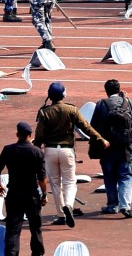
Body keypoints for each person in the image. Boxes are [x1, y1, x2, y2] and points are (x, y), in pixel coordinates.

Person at [34, 81, 108, 227]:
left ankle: (61, 215)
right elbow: (86, 128)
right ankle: (68, 204)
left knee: (55, 184)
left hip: (50, 151)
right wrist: (101, 139)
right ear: (64, 94)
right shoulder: (72, 110)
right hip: (67, 150)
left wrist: (35, 148)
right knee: (70, 182)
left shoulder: (44, 112)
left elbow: (39, 136)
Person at [0, 121, 48, 256]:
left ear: (17, 134)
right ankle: (37, 253)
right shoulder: (37, 151)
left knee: (13, 229)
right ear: (30, 135)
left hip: (14, 193)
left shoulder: (8, 149)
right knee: (35, 228)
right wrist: (44, 194)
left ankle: (11, 254)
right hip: (31, 194)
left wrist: (0, 185)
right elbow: (42, 178)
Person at [90, 79, 132, 218]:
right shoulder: (128, 102)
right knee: (126, 175)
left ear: (106, 91)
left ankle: (112, 205)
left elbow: (94, 125)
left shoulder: (101, 104)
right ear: (119, 89)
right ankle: (125, 205)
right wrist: (126, 98)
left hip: (107, 147)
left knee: (109, 175)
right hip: (126, 146)